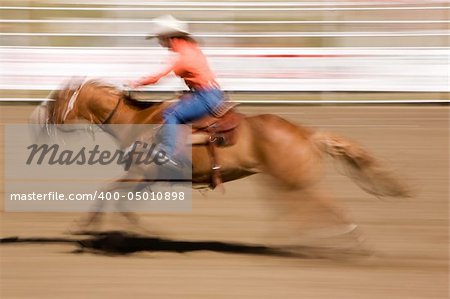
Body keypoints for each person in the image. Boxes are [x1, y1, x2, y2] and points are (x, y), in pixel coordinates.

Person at [130, 15, 225, 167]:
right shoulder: (190, 47)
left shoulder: (181, 56)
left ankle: (168, 153)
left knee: (170, 114)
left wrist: (136, 83)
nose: (160, 42)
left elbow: (158, 76)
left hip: (205, 96)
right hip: (210, 93)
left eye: (160, 38)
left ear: (168, 37)